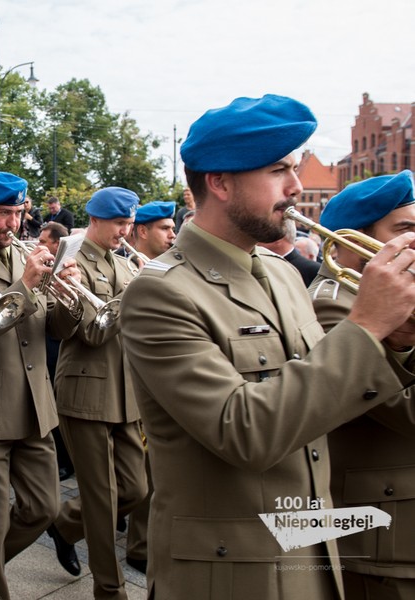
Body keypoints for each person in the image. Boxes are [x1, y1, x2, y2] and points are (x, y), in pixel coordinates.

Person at [120, 95, 415, 599]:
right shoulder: (161, 291)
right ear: (220, 181)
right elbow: (245, 431)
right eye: (279, 170)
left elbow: (321, 392)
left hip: (311, 549)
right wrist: (365, 327)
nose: (296, 188)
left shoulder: (281, 273)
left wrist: (398, 345)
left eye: (295, 169)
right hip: (229, 574)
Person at [0, 172, 81, 600]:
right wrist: (26, 284)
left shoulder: (25, 254)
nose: (14, 223)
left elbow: (54, 328)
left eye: (19, 213)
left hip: (36, 404)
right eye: (4, 213)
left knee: (43, 507)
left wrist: (73, 293)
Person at [310, 171, 415, 600]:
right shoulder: (331, 305)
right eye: (405, 230)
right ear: (351, 243)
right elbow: (405, 412)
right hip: (378, 533)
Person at [47, 187, 149, 599]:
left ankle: (65, 524)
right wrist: (135, 293)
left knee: (136, 488)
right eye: (120, 223)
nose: (126, 232)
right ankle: (110, 589)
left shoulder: (122, 263)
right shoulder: (73, 264)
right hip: (85, 392)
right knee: (102, 499)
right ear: (96, 220)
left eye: (129, 224)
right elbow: (92, 331)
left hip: (125, 394)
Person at [123, 200, 176, 575]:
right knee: (137, 475)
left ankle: (145, 541)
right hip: (127, 381)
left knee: (153, 471)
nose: (172, 234)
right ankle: (139, 546)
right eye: (164, 228)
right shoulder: (128, 267)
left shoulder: (169, 269)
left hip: (160, 379)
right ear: (141, 231)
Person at [37, 221, 75, 481]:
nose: (38, 246)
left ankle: (65, 460)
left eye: (43, 241)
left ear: (57, 244)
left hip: (53, 345)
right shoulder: (39, 264)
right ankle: (62, 460)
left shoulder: (63, 262)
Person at [260, 219, 320, 286]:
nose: (256, 240)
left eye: (262, 234)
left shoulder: (314, 271)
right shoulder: (259, 264)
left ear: (278, 237)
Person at [128, 201, 177, 269]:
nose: (173, 235)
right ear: (143, 232)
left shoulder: (177, 266)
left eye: (173, 230)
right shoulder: (122, 268)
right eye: (165, 228)